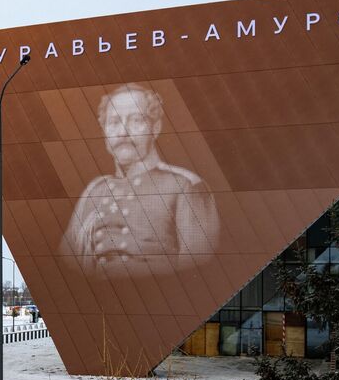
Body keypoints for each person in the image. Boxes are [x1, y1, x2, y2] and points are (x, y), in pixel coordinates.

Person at [61, 82, 220, 275]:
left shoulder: (183, 186)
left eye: (136, 120)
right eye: (114, 122)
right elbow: (66, 265)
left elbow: (197, 266)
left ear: (155, 127)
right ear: (104, 132)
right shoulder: (95, 190)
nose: (123, 132)